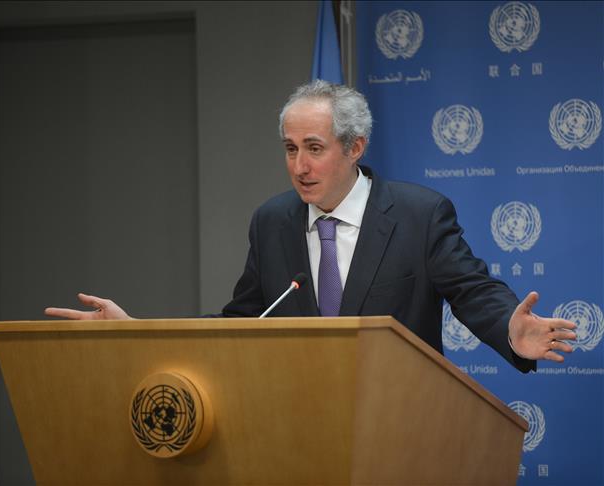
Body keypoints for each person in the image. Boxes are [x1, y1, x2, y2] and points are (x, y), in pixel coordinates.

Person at [45, 80, 577, 371]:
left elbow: (472, 291)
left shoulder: (419, 214)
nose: (300, 166)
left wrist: (510, 328)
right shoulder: (272, 221)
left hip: (400, 426)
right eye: (290, 149)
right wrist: (136, 330)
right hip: (298, 429)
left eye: (315, 149)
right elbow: (243, 322)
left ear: (355, 147)